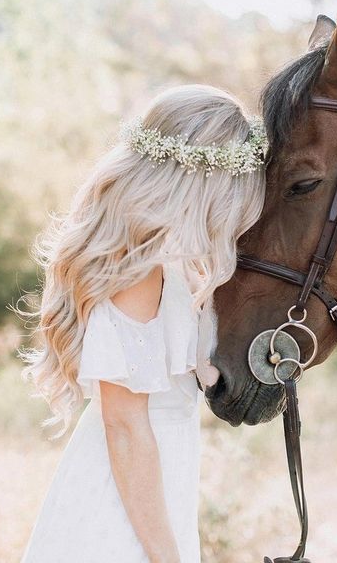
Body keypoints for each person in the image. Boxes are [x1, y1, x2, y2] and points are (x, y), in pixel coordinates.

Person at [16, 83, 267, 563]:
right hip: (127, 499)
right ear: (200, 185)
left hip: (159, 480)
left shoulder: (171, 261)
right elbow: (126, 425)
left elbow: (196, 379)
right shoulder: (138, 270)